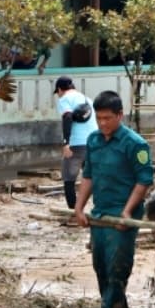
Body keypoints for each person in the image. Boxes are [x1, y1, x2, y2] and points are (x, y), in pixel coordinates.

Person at [74, 90, 154, 308]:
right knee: (101, 267)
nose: (103, 123)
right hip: (100, 216)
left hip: (122, 218)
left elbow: (143, 182)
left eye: (108, 118)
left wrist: (127, 212)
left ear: (120, 115)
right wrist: (79, 207)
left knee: (117, 268)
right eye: (99, 118)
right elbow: (89, 176)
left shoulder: (135, 144)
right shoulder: (94, 141)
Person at [54, 76, 94, 209]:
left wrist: (66, 143)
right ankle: (99, 208)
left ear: (60, 89)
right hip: (93, 142)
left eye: (57, 92)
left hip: (77, 143)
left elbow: (67, 118)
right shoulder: (87, 99)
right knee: (91, 176)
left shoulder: (65, 99)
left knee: (68, 178)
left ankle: (74, 212)